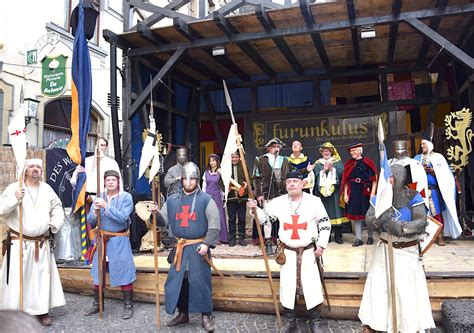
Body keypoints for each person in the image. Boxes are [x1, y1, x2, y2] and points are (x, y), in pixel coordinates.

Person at [248, 171, 331, 333]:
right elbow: (265, 219)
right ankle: (290, 320)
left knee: (311, 284)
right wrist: (255, 209)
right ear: (286, 185)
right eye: (289, 182)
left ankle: (315, 321)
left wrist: (321, 244)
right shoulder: (278, 202)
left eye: (295, 181)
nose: (292, 184)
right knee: (288, 286)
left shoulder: (314, 201)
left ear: (302, 184)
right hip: (288, 252)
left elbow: (325, 224)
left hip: (308, 252)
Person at [359, 164, 435, 332]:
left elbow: (421, 222)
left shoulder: (413, 197)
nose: (389, 181)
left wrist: (401, 228)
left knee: (406, 291)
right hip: (385, 250)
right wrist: (379, 221)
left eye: (392, 177)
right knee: (379, 288)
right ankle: (375, 323)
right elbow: (369, 219)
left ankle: (408, 326)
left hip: (406, 251)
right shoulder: (380, 198)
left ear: (401, 178)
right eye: (387, 178)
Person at [0, 159, 65, 326]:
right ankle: (15, 313)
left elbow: (57, 207)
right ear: (25, 170)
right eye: (32, 167)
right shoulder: (14, 188)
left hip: (40, 244)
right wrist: (14, 199)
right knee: (18, 279)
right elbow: (1, 209)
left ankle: (41, 311)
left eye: (38, 167)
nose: (35, 169)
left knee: (40, 279)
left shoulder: (47, 189)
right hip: (18, 244)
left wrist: (54, 224)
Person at [157, 162, 220, 332]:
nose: (189, 182)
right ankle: (183, 313)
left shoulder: (206, 199)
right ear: (182, 179)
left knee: (201, 282)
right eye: (186, 178)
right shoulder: (172, 200)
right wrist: (153, 214)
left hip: (199, 248)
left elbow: (214, 224)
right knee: (180, 283)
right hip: (180, 248)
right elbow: (161, 222)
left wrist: (207, 244)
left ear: (197, 180)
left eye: (193, 179)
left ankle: (206, 316)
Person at [84, 170, 135, 319]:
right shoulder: (99, 197)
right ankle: (97, 304)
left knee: (123, 269)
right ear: (105, 182)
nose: (110, 182)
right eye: (108, 180)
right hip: (101, 240)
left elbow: (123, 218)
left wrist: (106, 206)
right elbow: (91, 221)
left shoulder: (126, 197)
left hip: (119, 239)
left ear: (118, 181)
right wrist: (95, 212)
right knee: (98, 272)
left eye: (113, 180)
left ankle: (128, 305)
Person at [414, 135, 461, 245]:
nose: (422, 146)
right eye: (421, 144)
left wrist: (434, 171)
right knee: (421, 214)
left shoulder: (438, 158)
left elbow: (447, 175)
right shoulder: (417, 158)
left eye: (423, 144)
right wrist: (421, 170)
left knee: (437, 214)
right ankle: (424, 237)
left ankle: (440, 236)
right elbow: (412, 174)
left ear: (429, 144)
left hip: (434, 191)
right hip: (421, 192)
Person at [252, 138, 290, 253]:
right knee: (267, 219)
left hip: (282, 194)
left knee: (283, 218)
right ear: (269, 148)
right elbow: (256, 177)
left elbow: (291, 173)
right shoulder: (261, 160)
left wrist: (305, 171)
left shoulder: (285, 160)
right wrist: (259, 194)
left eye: (278, 147)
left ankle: (283, 241)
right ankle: (268, 241)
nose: (276, 149)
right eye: (274, 147)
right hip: (267, 193)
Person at [341, 143, 377, 247]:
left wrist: (373, 193)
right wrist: (345, 194)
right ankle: (358, 239)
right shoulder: (349, 164)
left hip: (366, 190)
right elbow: (346, 181)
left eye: (354, 151)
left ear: (360, 151)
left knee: (368, 215)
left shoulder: (367, 162)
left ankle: (370, 237)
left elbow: (374, 178)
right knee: (356, 216)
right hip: (353, 191)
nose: (352, 153)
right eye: (351, 151)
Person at [313, 142, 348, 244]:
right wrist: (323, 171)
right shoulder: (318, 163)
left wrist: (333, 170)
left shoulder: (337, 162)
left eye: (328, 151)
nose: (326, 152)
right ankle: (326, 236)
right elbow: (314, 175)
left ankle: (338, 235)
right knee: (324, 213)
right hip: (322, 193)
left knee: (337, 212)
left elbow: (342, 174)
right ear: (321, 152)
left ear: (331, 151)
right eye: (324, 151)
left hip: (335, 192)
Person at [202, 154, 228, 244]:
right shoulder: (206, 173)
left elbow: (224, 185)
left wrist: (224, 196)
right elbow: (204, 187)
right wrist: (203, 197)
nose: (212, 162)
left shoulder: (220, 172)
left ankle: (222, 237)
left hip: (217, 196)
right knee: (209, 216)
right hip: (208, 196)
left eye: (214, 161)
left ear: (217, 162)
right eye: (210, 161)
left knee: (219, 216)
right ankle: (210, 237)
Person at [226, 151, 249, 247]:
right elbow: (221, 181)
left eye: (236, 157)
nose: (234, 159)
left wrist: (245, 186)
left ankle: (242, 238)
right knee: (231, 219)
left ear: (239, 157)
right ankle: (232, 239)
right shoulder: (226, 168)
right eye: (232, 157)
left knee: (242, 218)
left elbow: (248, 178)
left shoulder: (243, 166)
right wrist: (226, 187)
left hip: (242, 197)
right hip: (231, 197)